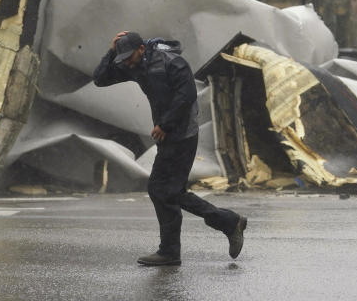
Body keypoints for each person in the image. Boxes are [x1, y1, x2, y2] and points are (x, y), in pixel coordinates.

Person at [93, 30, 247, 266]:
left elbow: (186, 95)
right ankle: (174, 249)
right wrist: (111, 51)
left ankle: (224, 224)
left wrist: (166, 124)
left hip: (183, 133)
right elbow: (100, 79)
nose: (126, 63)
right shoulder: (134, 64)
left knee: (167, 191)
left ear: (142, 49)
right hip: (167, 135)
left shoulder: (171, 62)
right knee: (163, 190)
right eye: (123, 59)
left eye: (129, 57)